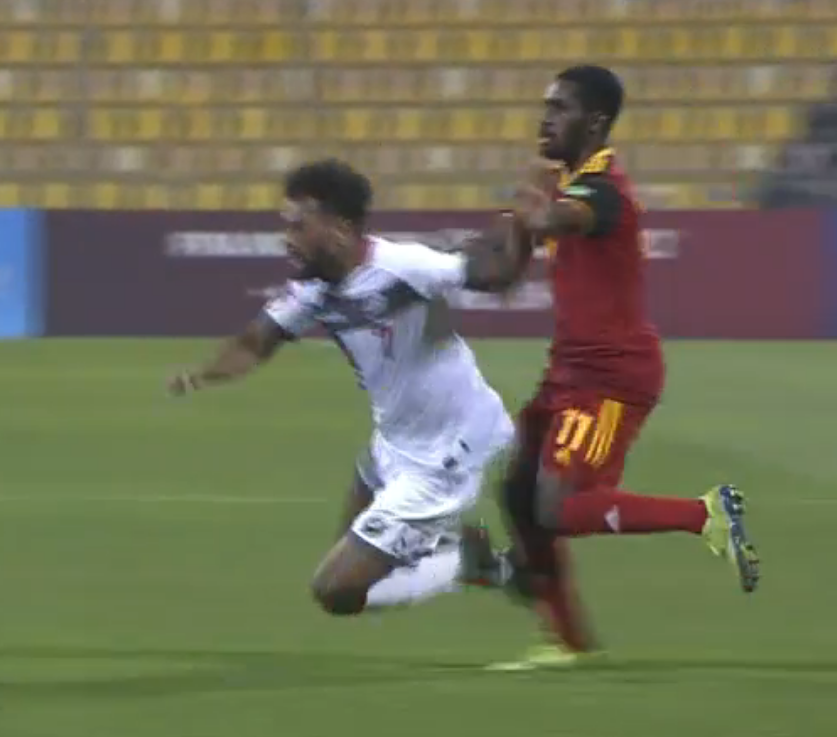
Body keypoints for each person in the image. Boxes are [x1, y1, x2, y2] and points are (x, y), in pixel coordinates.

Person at [459, 65, 761, 672]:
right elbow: (511, 269)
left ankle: (705, 514)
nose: (546, 119)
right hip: (569, 371)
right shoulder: (572, 186)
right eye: (546, 106)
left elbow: (550, 220)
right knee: (518, 491)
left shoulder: (603, 191)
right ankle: (566, 641)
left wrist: (530, 196)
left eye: (560, 109)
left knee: (561, 506)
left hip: (611, 378)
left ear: (594, 123)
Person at [168, 159, 526, 616]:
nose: (287, 238)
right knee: (355, 558)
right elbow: (256, 342)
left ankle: (461, 565)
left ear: (339, 229)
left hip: (445, 452)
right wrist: (203, 375)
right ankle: (469, 562)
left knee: (335, 590)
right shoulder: (313, 290)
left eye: (299, 226)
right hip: (394, 444)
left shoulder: (404, 267)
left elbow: (492, 274)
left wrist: (521, 224)